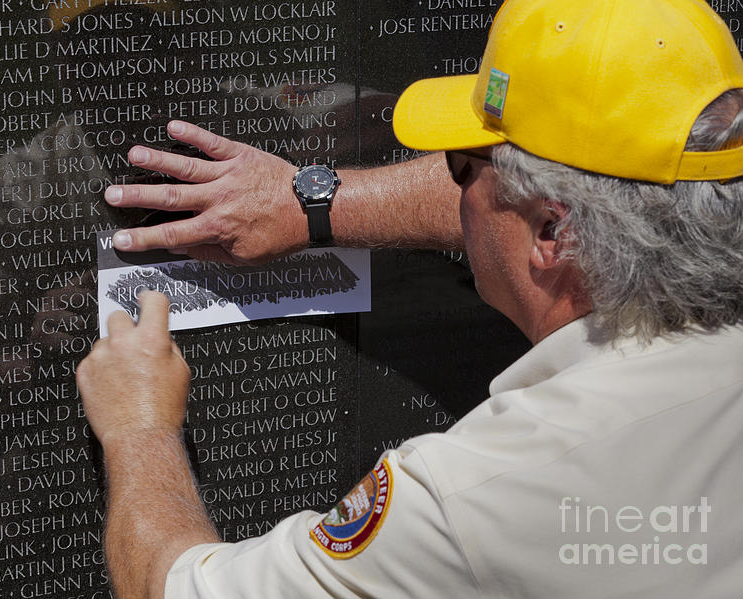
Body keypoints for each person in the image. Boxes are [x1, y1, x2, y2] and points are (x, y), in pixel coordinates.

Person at [76, 0, 743, 597]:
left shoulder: (481, 493)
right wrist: (315, 204)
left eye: (462, 165)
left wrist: (139, 425)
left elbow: (175, 589)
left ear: (552, 230)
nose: (457, 188)